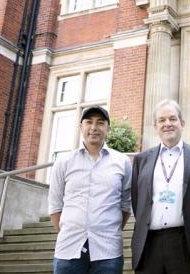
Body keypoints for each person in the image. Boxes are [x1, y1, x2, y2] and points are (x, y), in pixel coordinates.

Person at [48, 106, 132, 274]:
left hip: (108, 251)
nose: (94, 127)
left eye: (100, 123)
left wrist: (106, 228)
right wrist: (72, 229)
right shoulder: (64, 162)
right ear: (81, 127)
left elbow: (125, 205)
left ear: (108, 129)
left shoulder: (122, 162)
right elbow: (55, 206)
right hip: (69, 249)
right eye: (88, 122)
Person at [131, 99, 190, 273]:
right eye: (162, 120)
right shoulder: (142, 159)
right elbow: (137, 200)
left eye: (173, 119)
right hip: (148, 245)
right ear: (155, 126)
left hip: (184, 243)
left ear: (182, 123)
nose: (167, 124)